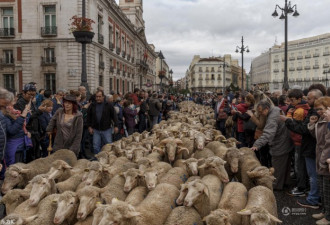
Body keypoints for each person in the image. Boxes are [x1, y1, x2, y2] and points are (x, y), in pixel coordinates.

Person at [281, 89, 323, 209]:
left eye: (309, 98)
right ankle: (313, 196)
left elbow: (304, 129)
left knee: (312, 174)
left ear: (316, 99)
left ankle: (313, 198)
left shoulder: (313, 112)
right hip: (308, 145)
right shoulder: (311, 110)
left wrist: (288, 120)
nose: (306, 99)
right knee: (311, 173)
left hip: (309, 146)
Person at [251, 100, 292, 190]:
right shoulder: (276, 109)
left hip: (280, 144)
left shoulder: (272, 117)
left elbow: (268, 133)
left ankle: (276, 186)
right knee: (285, 165)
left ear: (267, 108)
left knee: (277, 166)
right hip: (285, 141)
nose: (261, 114)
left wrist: (257, 144)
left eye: (261, 111)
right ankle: (285, 183)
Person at [308, 97, 330, 225]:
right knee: (323, 188)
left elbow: (328, 144)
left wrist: (323, 161)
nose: (318, 112)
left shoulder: (328, 122)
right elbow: (318, 137)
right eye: (317, 109)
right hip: (321, 157)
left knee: (327, 191)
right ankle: (325, 211)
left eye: (321, 109)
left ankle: (328, 216)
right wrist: (312, 124)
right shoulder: (323, 120)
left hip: (325, 159)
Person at [285, 89, 310, 197]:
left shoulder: (299, 111)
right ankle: (302, 185)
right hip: (298, 140)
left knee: (299, 165)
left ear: (299, 99)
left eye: (292, 100)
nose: (291, 102)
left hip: (298, 140)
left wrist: (286, 118)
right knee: (299, 164)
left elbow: (295, 125)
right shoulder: (298, 108)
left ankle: (301, 187)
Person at [14, 83, 42, 162]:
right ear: (24, 93)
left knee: (37, 156)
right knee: (30, 158)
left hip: (35, 133)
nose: (31, 97)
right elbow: (26, 118)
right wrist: (39, 111)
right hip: (28, 134)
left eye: (33, 95)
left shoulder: (31, 102)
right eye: (29, 94)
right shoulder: (19, 103)